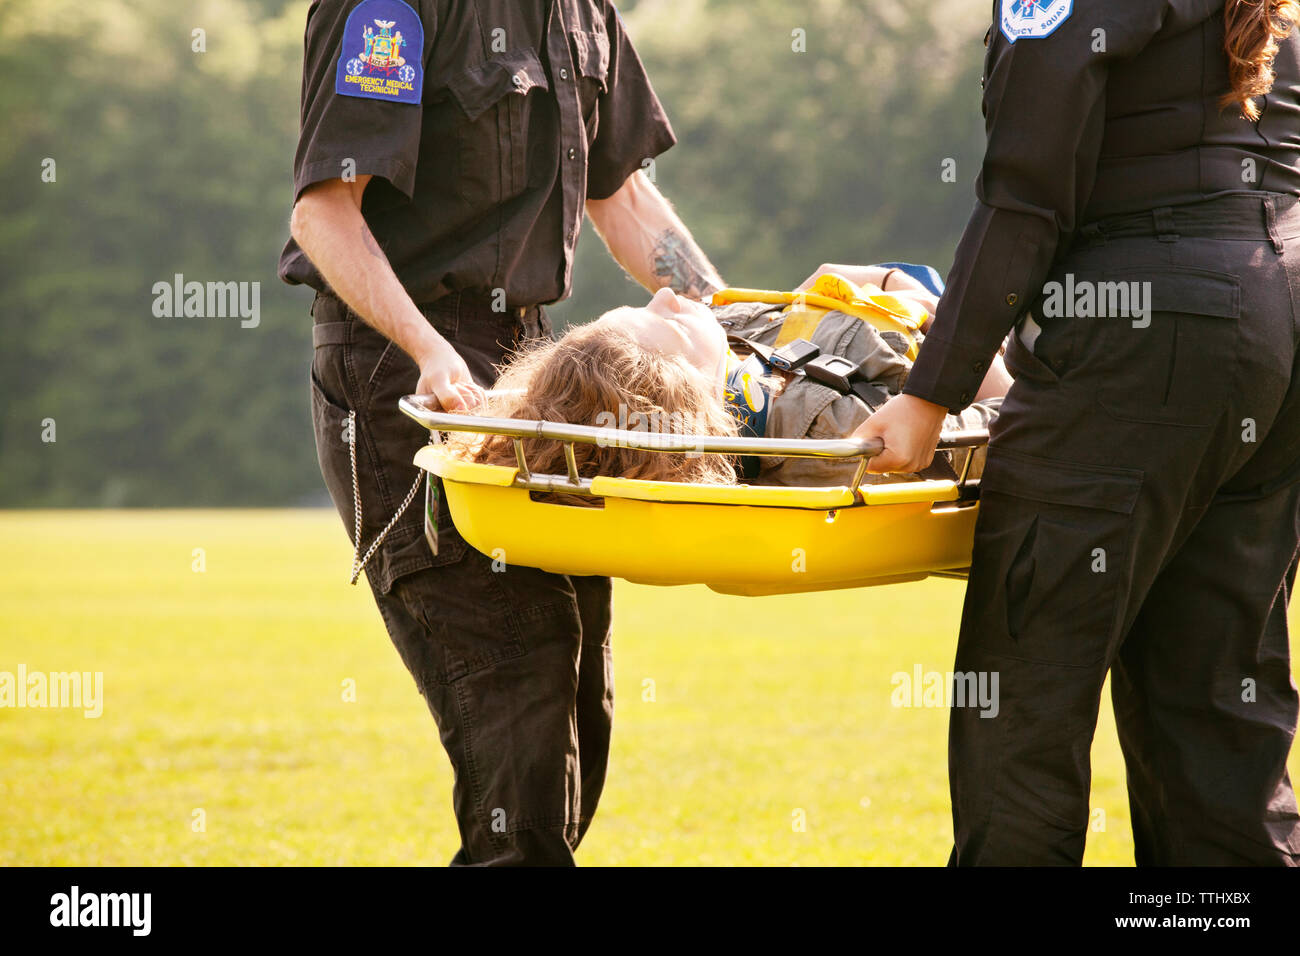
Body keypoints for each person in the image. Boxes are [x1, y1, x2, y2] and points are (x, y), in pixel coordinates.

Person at [815, 0, 1300, 864]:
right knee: (1218, 703)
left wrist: (932, 393)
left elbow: (1027, 190)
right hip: (1278, 324)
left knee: (1024, 689)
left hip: (1147, 334)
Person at [278, 0, 725, 866]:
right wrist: (430, 351)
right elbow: (325, 213)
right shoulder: (391, 10)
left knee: (575, 693)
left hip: (531, 369)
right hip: (401, 372)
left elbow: (624, 194)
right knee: (517, 684)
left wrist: (736, 329)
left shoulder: (583, 11)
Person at [449, 275, 1008, 489]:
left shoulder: (726, 342)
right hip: (987, 339)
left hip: (909, 299)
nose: (667, 294)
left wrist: (879, 283)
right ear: (688, 393)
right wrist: (958, 332)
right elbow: (992, 431)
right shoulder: (819, 439)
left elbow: (815, 294)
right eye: (666, 320)